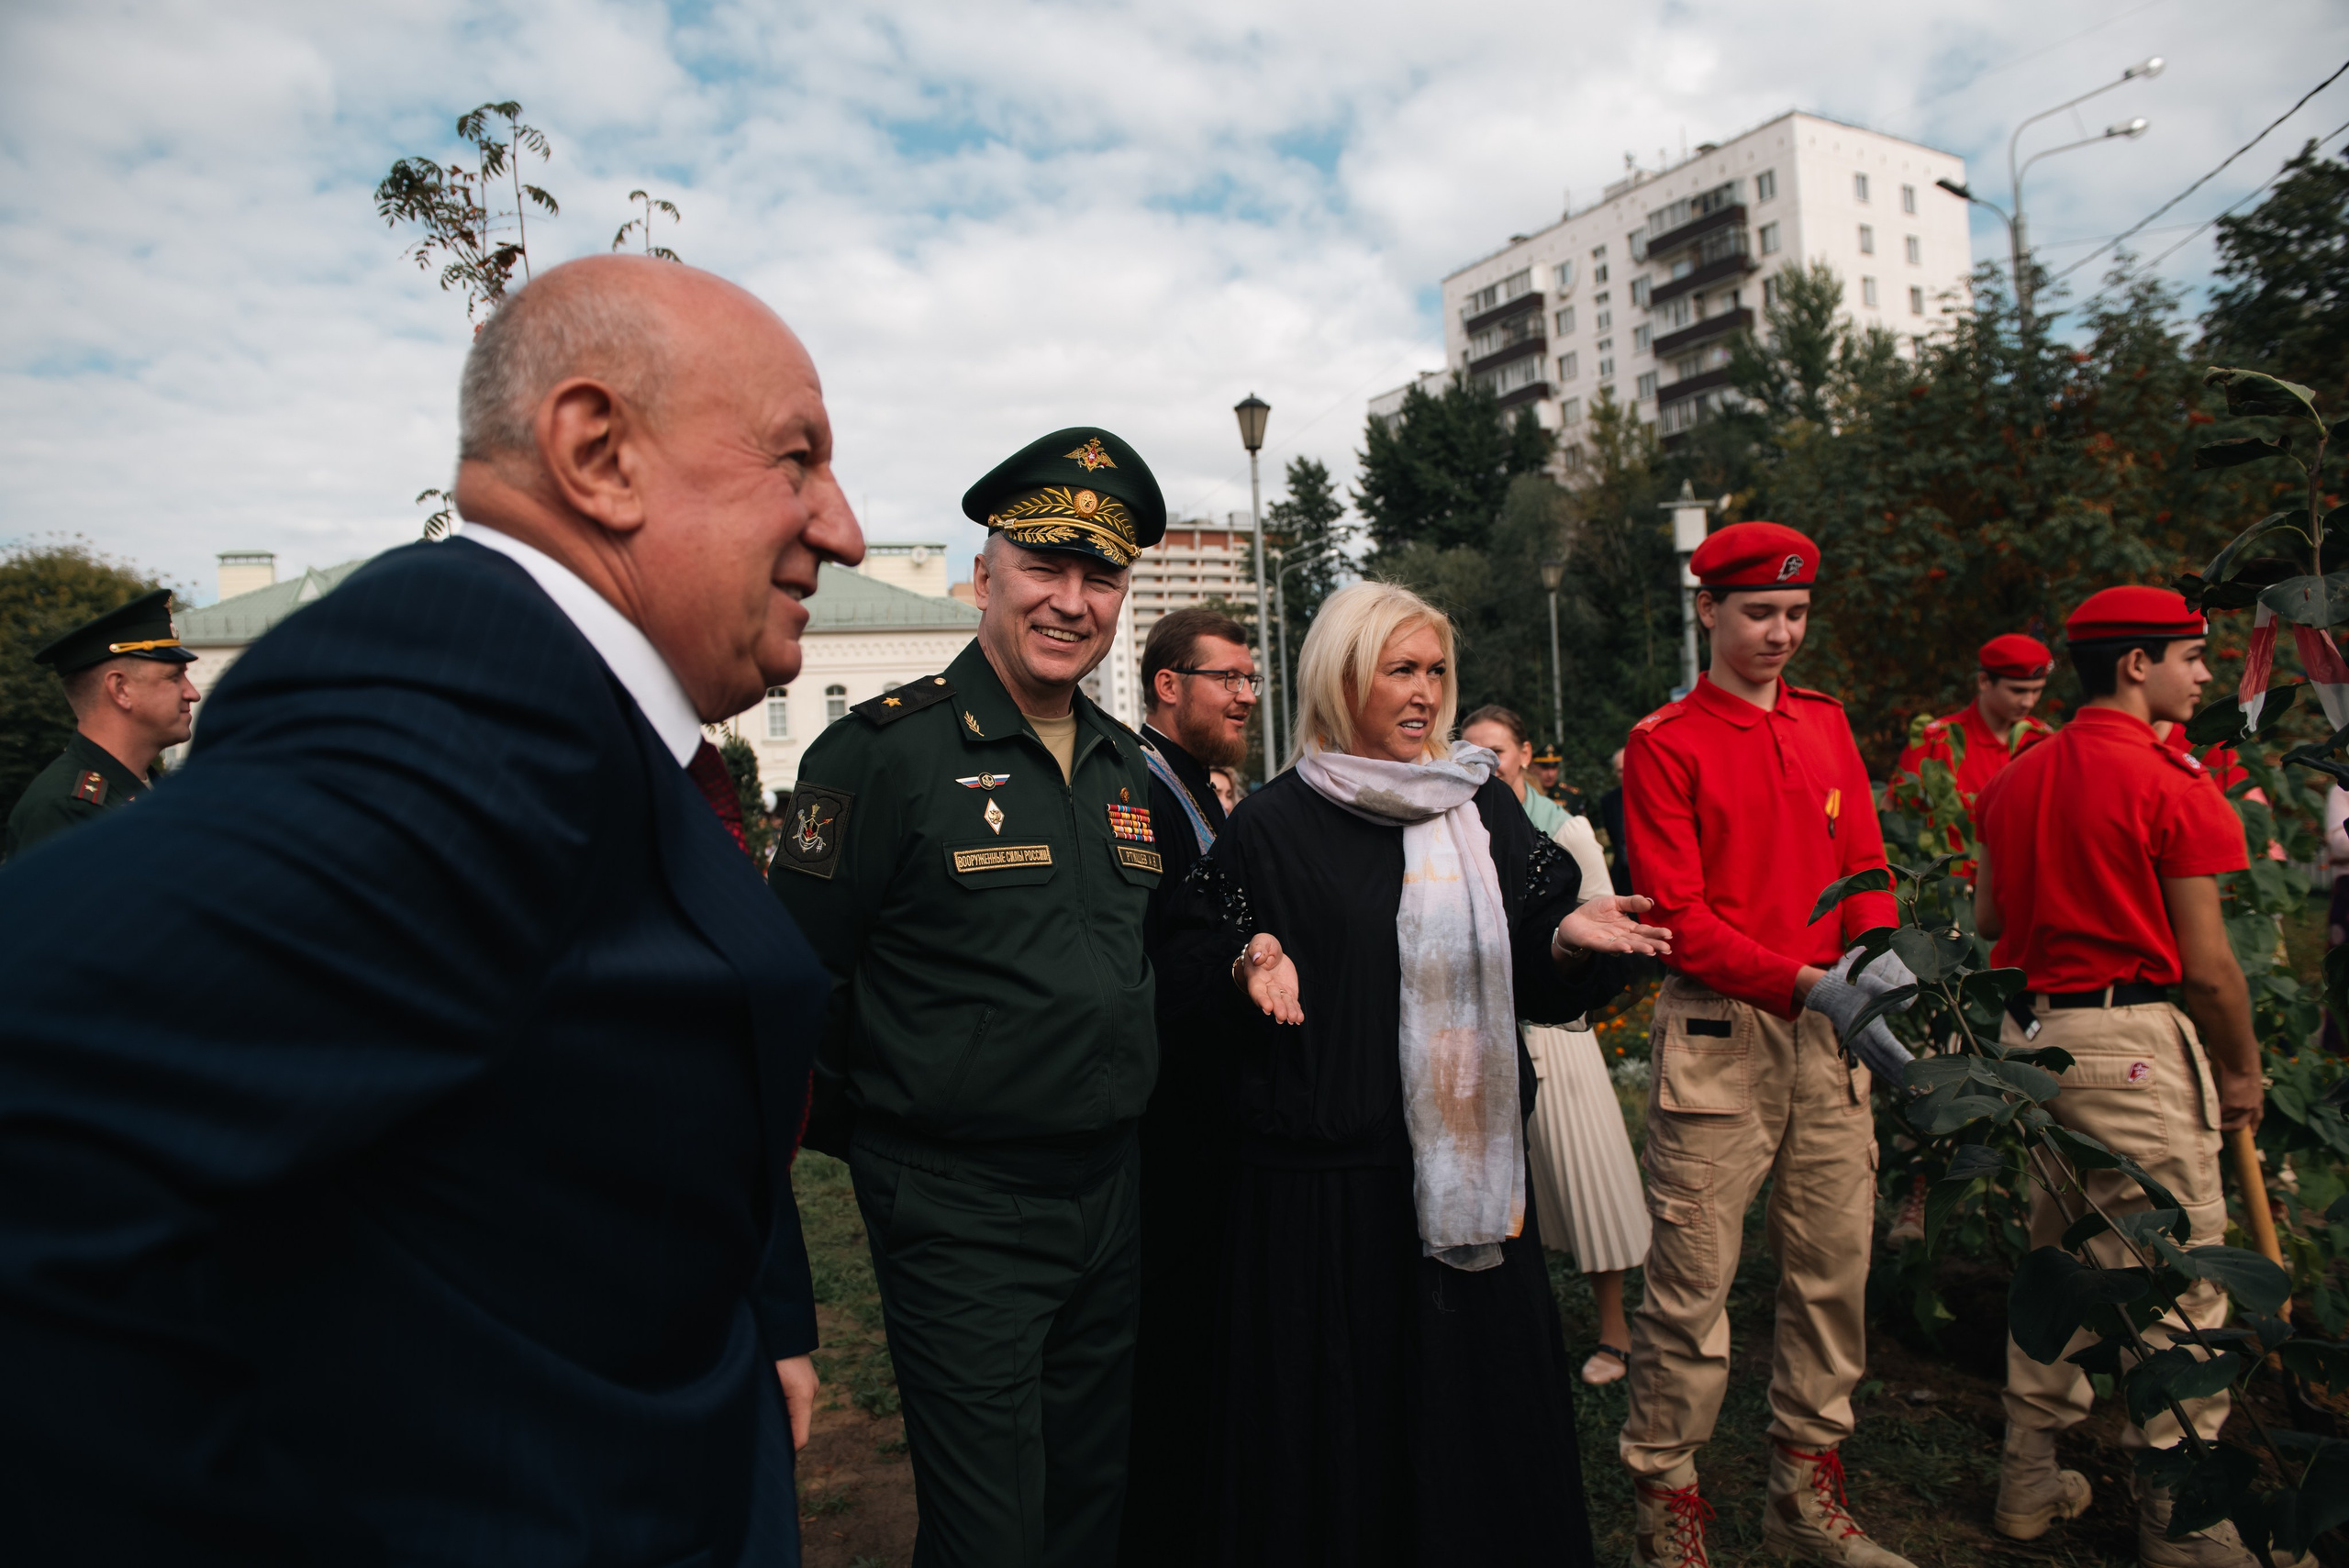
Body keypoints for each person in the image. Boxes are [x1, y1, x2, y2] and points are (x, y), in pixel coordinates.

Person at [0, 254, 853, 1565]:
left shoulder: (592, 723)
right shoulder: (470, 702)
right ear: (597, 451)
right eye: (797, 460)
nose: (843, 527)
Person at [1160, 582, 1672, 1566]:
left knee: (1470, 1454)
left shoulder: (1479, 804)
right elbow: (1189, 965)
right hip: (1326, 1212)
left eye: (1436, 670)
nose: (1425, 692)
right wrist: (1244, 964)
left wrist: (1565, 939)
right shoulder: (1272, 823)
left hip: (1468, 1196)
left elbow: (1536, 946)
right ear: (1342, 678)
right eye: (1401, 669)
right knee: (1343, 1460)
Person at [772, 427, 1164, 1566]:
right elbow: (801, 985)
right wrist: (900, 1140)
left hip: (1109, 1192)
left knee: (1090, 1501)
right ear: (983, 575)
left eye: (1100, 576)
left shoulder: (1120, 762)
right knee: (991, 1526)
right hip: (962, 1206)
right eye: (1045, 565)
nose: (1071, 601)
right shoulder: (881, 755)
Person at [1973, 586, 2306, 1568]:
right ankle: (2185, 1527)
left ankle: (2026, 1482)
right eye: (2191, 657)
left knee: (2056, 1264)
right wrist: (2241, 1071)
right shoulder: (2171, 783)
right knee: (2182, 1284)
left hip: (2034, 1042)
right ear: (2135, 664)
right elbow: (2207, 965)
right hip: (2134, 1037)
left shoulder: (2016, 776)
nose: (2202, 675)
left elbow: (1990, 921)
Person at [1619, 520, 1918, 1568]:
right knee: (1690, 1285)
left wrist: (1878, 954)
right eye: (1758, 612)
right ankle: (1667, 1504)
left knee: (1832, 1270)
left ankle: (1804, 1495)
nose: (1780, 632)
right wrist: (1808, 983)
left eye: (1795, 613)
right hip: (1722, 1033)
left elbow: (1867, 859)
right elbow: (1678, 918)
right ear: (1707, 611)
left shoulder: (1828, 724)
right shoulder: (1664, 742)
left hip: (1834, 1031)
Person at [1461, 704, 1652, 1388]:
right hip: (1492, 1034)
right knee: (1513, 1199)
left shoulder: (1562, 826)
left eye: (1498, 752)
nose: (1487, 764)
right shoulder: (1457, 818)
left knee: (1587, 1180)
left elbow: (1600, 916)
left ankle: (1616, 1330)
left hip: (1555, 1031)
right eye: (1473, 753)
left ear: (1524, 754)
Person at [1121, 606, 1256, 1567]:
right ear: (1169, 685)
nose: (1248, 693)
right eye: (1229, 678)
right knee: (1166, 1346)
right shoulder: (1134, 785)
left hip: (1211, 1104)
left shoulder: (1201, 790)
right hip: (1164, 1115)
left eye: (1250, 678)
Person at [4, 588, 199, 859]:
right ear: (120, 689)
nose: (193, 693)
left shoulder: (148, 789)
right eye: (174, 677)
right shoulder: (67, 808)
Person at [1894, 632, 2056, 813]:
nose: (2029, 702)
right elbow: (1899, 813)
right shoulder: (1938, 740)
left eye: (2037, 691)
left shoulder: (2044, 740)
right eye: (2018, 691)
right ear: (1984, 681)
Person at [1597, 745, 1635, 895]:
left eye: (1628, 767)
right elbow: (1614, 838)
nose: (1625, 774)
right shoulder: (1608, 801)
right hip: (1622, 877)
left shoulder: (1655, 796)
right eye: (1620, 771)